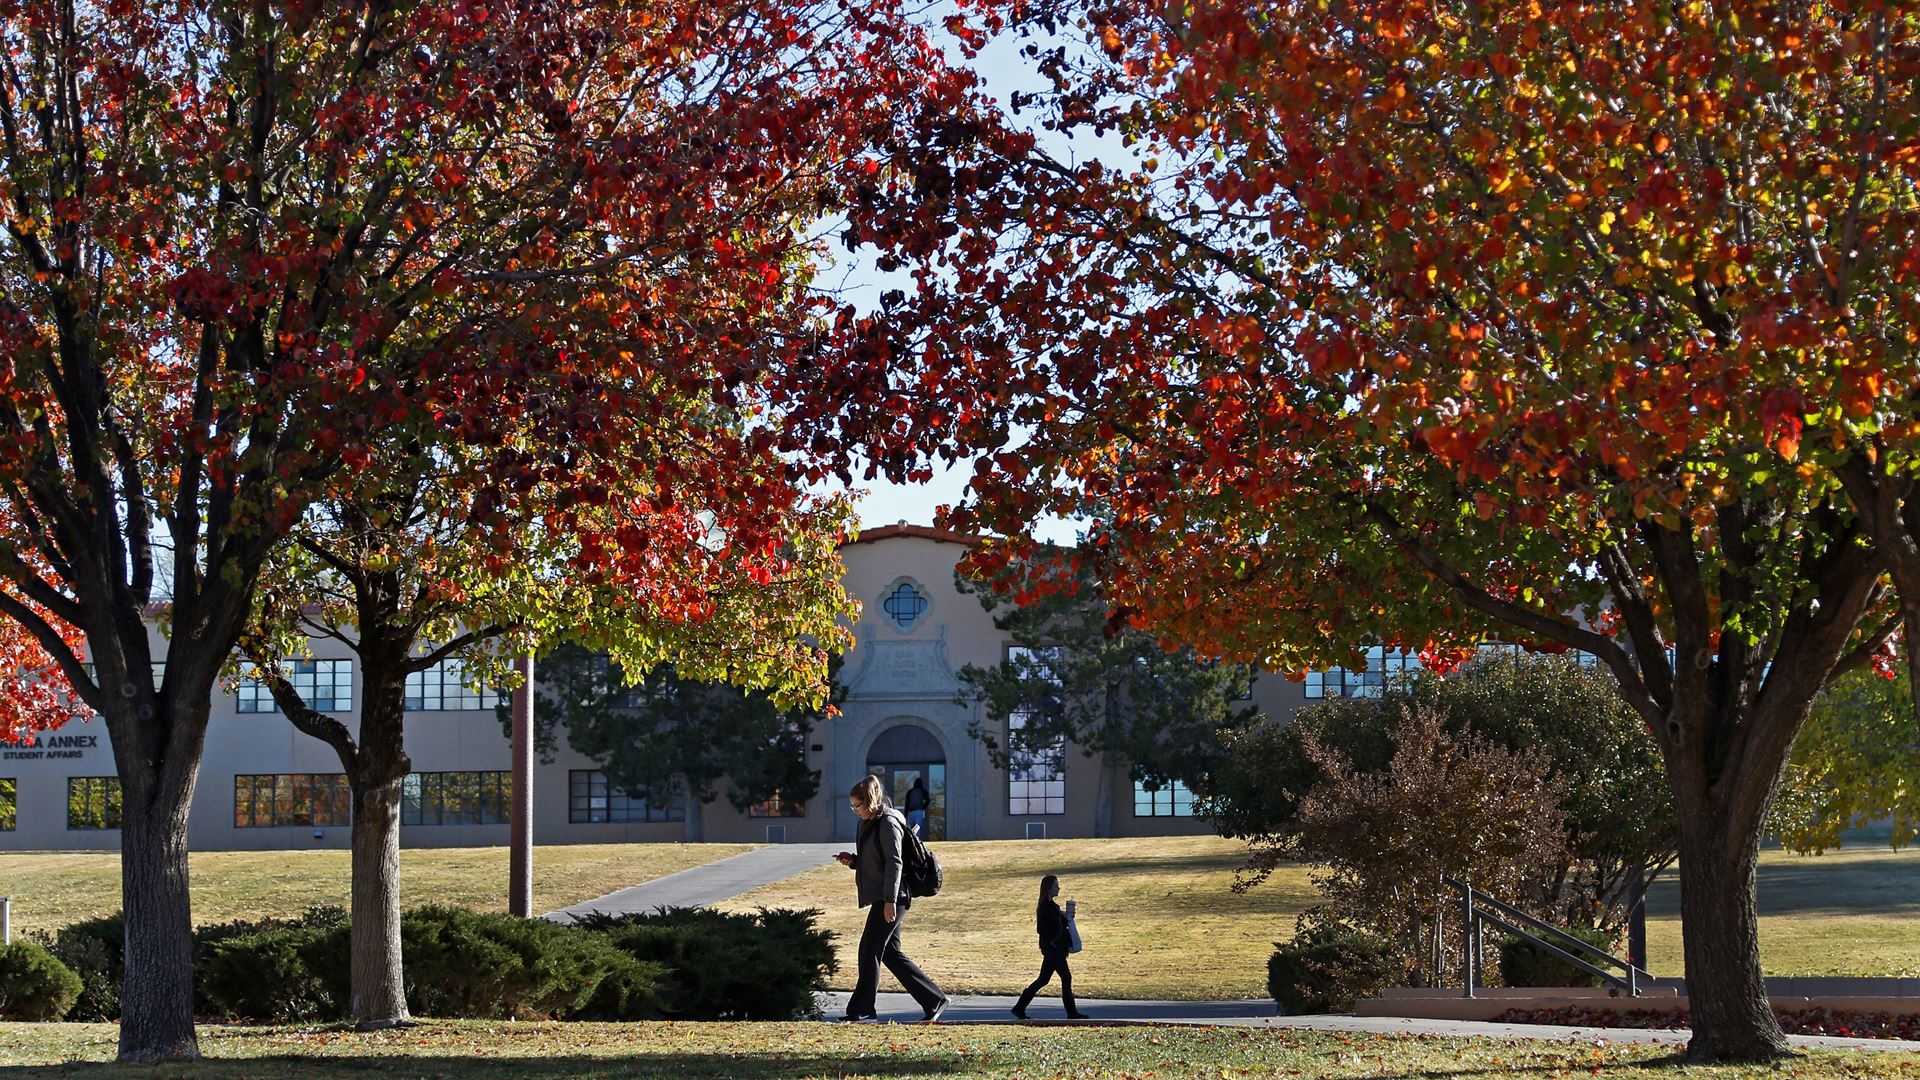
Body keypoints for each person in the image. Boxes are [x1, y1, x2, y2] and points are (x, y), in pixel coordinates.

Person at [834, 774, 948, 1023]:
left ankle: (862, 1009)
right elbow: (877, 860)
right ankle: (934, 999)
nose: (855, 811)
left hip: (894, 896)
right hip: (885, 895)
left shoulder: (888, 822)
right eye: (852, 806)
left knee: (869, 950)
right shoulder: (869, 822)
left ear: (871, 800)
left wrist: (889, 900)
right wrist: (853, 861)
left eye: (858, 805)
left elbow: (895, 863)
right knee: (889, 952)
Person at [1012, 874, 1089, 1020]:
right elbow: (1042, 929)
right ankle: (1071, 1013)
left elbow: (1059, 924)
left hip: (1055, 950)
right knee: (1066, 978)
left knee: (1043, 980)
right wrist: (1056, 937)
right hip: (1054, 950)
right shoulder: (1045, 908)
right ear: (1048, 889)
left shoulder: (1052, 906)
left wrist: (1067, 917)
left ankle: (1019, 1007)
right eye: (1055, 886)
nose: (1058, 888)